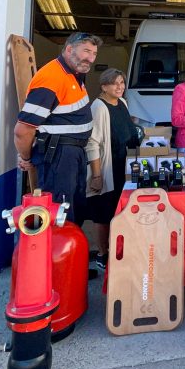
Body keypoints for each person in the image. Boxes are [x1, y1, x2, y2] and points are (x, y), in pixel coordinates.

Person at [14, 32, 102, 224]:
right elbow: (23, 130)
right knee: (60, 213)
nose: (91, 58)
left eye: (94, 54)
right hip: (60, 154)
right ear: (69, 49)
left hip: (72, 154)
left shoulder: (74, 74)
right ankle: (58, 254)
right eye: (86, 51)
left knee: (74, 209)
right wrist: (27, 157)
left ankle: (72, 252)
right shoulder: (51, 78)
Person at [87, 67, 141, 266]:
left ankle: (117, 251)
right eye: (115, 83)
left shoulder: (123, 103)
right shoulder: (99, 107)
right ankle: (102, 254)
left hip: (123, 166)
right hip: (106, 168)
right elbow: (92, 143)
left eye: (122, 83)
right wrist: (97, 175)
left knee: (118, 210)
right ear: (103, 87)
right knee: (103, 213)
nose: (120, 87)